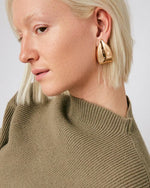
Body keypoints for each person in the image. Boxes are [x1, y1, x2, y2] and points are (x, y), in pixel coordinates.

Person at [0, 0, 150, 187]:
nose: (23, 55)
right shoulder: (27, 107)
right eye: (21, 36)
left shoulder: (130, 178)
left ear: (100, 26)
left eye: (40, 29)